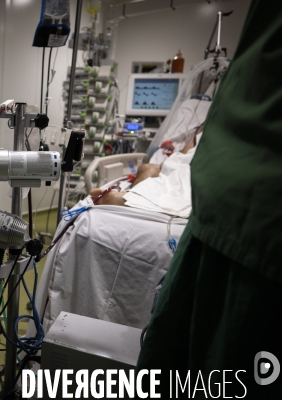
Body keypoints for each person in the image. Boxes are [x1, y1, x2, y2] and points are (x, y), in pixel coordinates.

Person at [137, 1, 282, 397]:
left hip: (240, 210)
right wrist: (169, 156)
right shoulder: (211, 127)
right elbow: (177, 153)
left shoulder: (220, 123)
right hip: (221, 196)